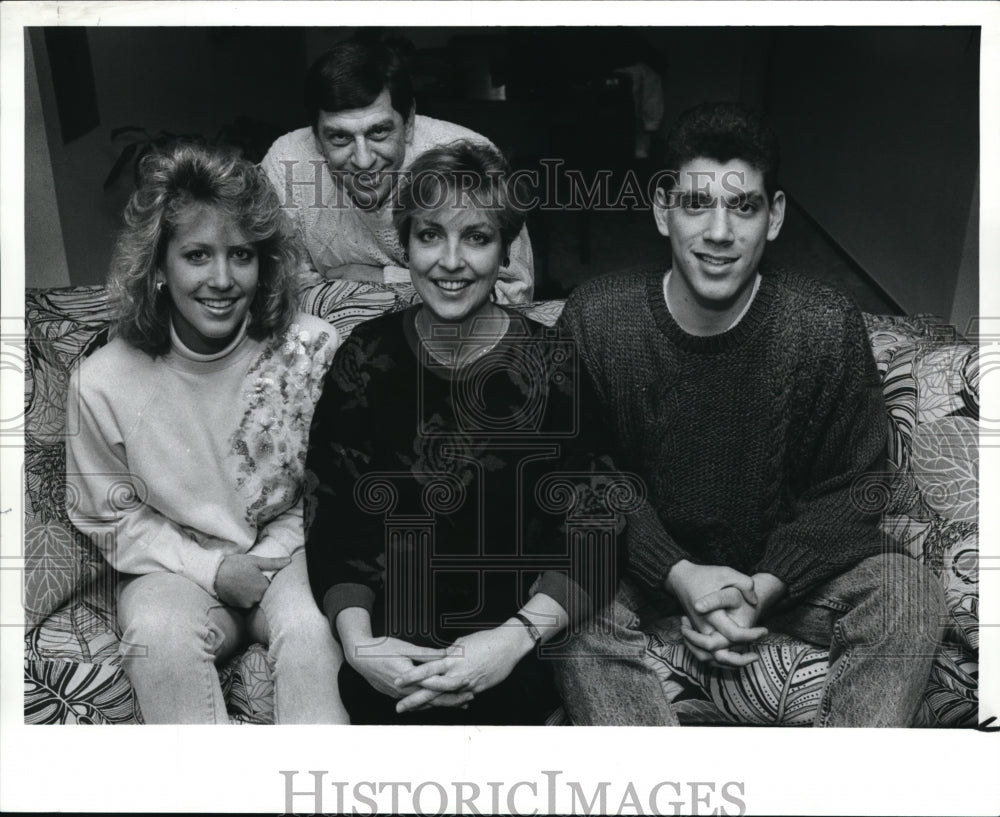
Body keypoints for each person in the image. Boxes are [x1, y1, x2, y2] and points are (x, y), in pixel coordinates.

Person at [552, 102, 946, 726]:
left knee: (909, 591)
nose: (718, 232)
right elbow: (581, 477)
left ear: (775, 216)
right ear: (662, 210)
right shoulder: (597, 319)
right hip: (643, 572)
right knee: (565, 600)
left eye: (743, 206)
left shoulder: (822, 324)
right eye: (696, 204)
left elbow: (858, 488)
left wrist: (761, 588)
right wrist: (679, 574)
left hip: (780, 581)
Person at [303, 141, 619, 724]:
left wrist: (513, 640)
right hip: (392, 659)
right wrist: (360, 644)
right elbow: (334, 519)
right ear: (407, 244)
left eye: (476, 238)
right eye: (430, 236)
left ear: (503, 254)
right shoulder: (364, 358)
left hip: (520, 649)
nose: (451, 261)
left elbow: (595, 526)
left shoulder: (553, 365)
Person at [65, 143, 349, 724]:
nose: (221, 280)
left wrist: (266, 560)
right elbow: (106, 514)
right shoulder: (101, 382)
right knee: (157, 636)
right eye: (197, 255)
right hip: (176, 570)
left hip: (292, 556)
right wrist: (211, 570)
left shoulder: (315, 349)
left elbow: (338, 482)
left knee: (316, 629)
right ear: (160, 267)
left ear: (263, 263)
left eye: (240, 255)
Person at [261, 36, 534, 303]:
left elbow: (513, 292)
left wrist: (384, 279)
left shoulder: (466, 158)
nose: (364, 161)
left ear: (410, 123)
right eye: (340, 137)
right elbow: (279, 291)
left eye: (379, 132)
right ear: (317, 138)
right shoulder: (287, 161)